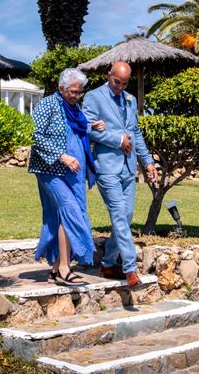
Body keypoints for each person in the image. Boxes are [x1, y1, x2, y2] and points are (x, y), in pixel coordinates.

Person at [82, 61, 158, 288]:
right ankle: (130, 269)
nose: (120, 87)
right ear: (109, 76)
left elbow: (135, 133)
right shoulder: (94, 97)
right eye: (117, 82)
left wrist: (148, 161)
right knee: (118, 215)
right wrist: (117, 140)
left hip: (128, 168)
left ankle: (107, 263)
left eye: (124, 84)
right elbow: (85, 128)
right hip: (107, 168)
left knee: (126, 217)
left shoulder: (130, 100)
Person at [28, 68, 104, 286]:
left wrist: (90, 127)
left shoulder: (74, 108)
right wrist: (62, 156)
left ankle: (55, 268)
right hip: (51, 170)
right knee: (70, 210)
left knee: (65, 215)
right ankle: (64, 268)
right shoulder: (47, 105)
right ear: (61, 89)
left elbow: (73, 130)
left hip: (73, 173)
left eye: (80, 92)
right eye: (73, 92)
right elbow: (34, 134)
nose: (77, 96)